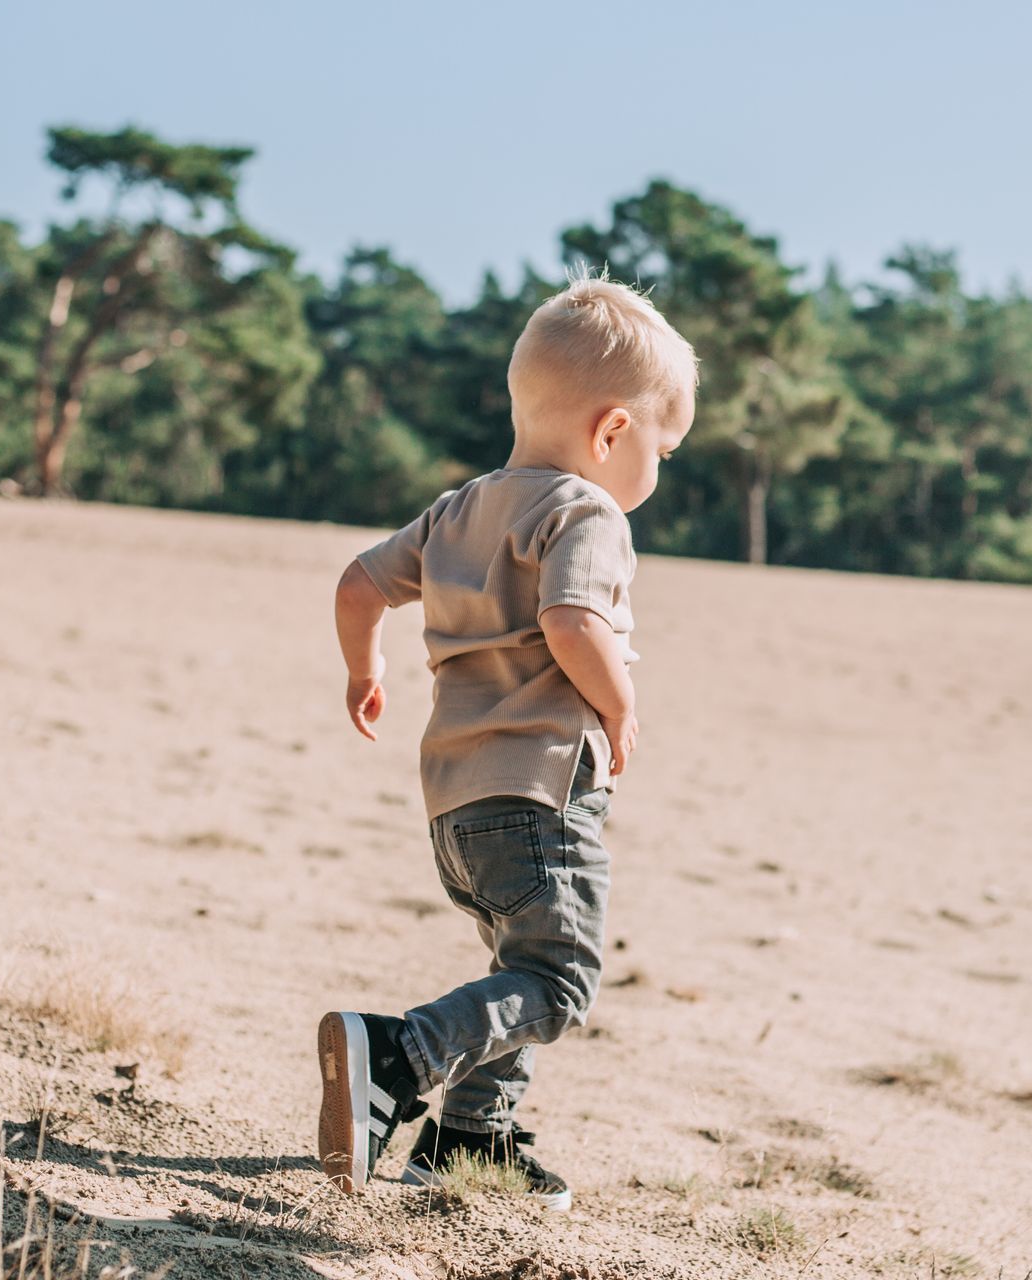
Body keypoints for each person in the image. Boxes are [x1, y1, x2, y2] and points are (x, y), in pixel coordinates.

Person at [318, 270, 697, 1210]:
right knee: (557, 982)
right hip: (540, 797)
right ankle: (398, 1055)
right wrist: (618, 707)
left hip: (455, 807)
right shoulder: (585, 512)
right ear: (613, 431)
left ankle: (467, 1138)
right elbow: (573, 621)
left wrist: (365, 672)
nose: (657, 473)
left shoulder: (461, 508)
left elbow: (359, 585)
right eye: (662, 451)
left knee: (515, 970)